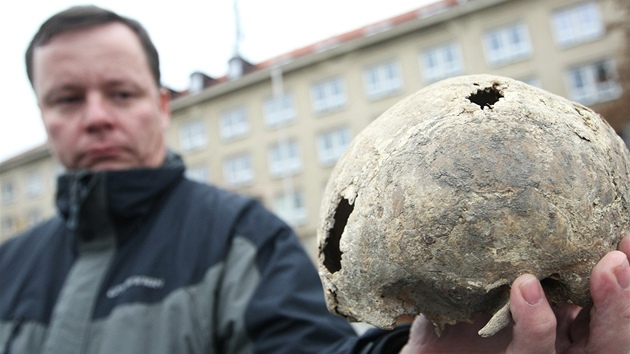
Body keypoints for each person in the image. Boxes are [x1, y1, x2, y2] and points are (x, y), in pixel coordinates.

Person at [0, 5, 629, 354]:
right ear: (42, 116)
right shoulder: (9, 264)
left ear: (161, 105)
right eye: (67, 99)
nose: (98, 117)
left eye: (121, 92)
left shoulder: (242, 238)